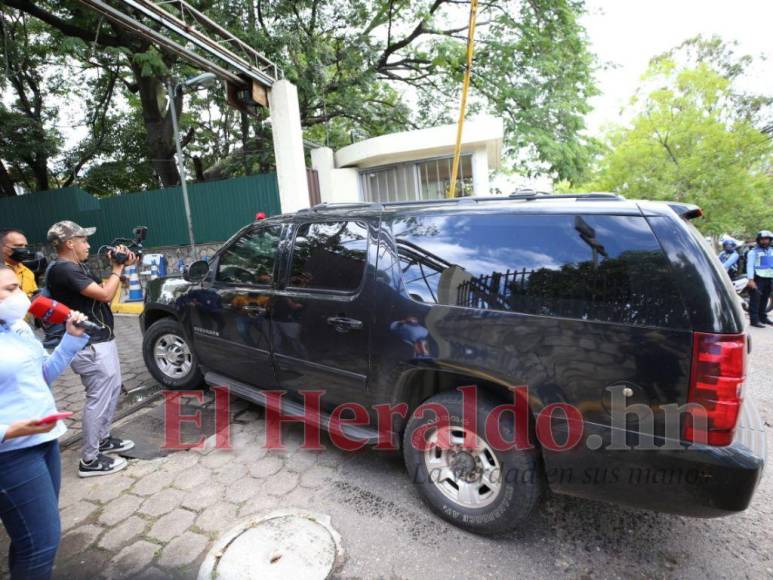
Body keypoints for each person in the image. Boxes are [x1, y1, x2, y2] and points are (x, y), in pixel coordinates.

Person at [0, 264, 89, 580]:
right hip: (10, 454)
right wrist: (8, 431)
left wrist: (70, 340)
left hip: (44, 441)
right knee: (42, 543)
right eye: (9, 290)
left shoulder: (18, 328)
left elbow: (42, 377)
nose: (20, 296)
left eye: (18, 287)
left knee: (28, 538)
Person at [46, 221, 136, 477]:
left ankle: (103, 438)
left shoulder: (75, 267)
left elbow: (106, 289)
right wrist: (117, 267)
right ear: (69, 243)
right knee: (98, 397)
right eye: (83, 240)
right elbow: (105, 295)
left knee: (112, 390)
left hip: (100, 340)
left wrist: (120, 266)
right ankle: (90, 459)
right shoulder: (65, 270)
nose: (88, 245)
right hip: (90, 345)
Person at [746, 229, 773, 328]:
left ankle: (763, 317)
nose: (765, 241)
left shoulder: (771, 251)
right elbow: (749, 266)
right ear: (758, 240)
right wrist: (750, 280)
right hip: (758, 278)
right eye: (762, 239)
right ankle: (754, 320)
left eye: (767, 239)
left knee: (765, 299)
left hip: (769, 278)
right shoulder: (753, 252)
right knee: (755, 299)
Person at [1, 229, 38, 297]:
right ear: (2, 247)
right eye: (18, 245)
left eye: (25, 246)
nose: (24, 250)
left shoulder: (28, 273)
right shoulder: (2, 271)